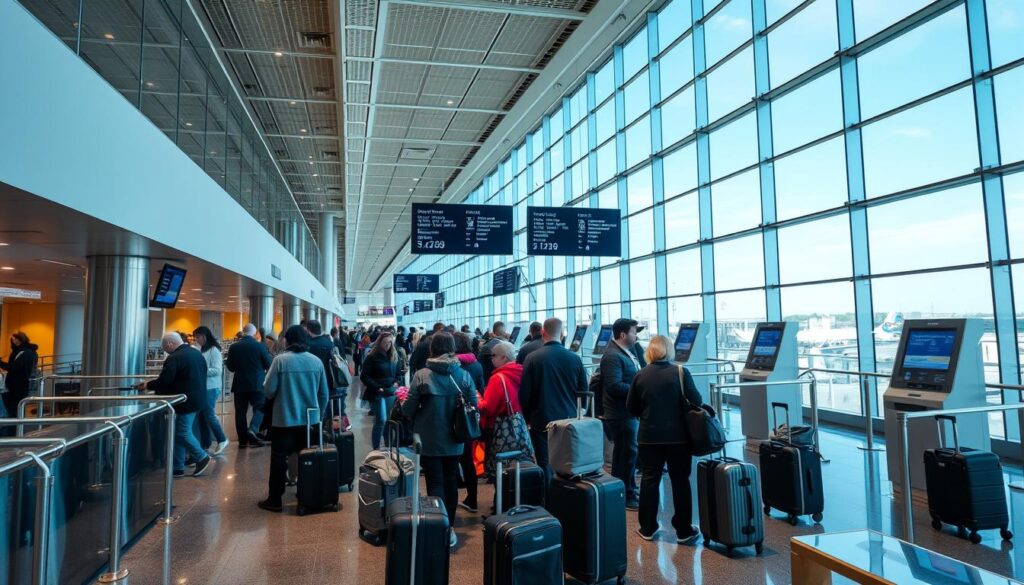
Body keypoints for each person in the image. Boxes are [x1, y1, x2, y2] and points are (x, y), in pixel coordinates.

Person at [401, 332, 477, 548]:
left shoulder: (422, 376)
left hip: (428, 438)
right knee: (451, 480)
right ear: (453, 348)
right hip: (456, 438)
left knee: (435, 482)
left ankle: (438, 525)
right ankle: (449, 527)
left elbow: (408, 408)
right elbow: (473, 404)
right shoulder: (463, 375)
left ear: (432, 349)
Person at [627, 335, 702, 543]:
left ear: (649, 352)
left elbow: (631, 407)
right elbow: (697, 400)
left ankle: (648, 527)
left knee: (650, 479)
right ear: (670, 351)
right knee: (680, 481)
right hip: (679, 438)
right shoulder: (680, 372)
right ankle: (684, 530)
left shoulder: (640, 375)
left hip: (649, 436)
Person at [257, 325, 329, 512]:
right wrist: (318, 417)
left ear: (287, 340)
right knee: (307, 458)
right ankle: (306, 495)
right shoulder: (316, 362)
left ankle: (275, 499)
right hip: (309, 421)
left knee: (279, 459)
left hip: (284, 419)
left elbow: (269, 390)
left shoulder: (280, 361)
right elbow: (324, 395)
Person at [519, 318, 587, 481]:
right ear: (563, 334)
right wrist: (579, 413)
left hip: (541, 420)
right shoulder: (574, 359)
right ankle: (565, 499)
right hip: (568, 420)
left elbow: (524, 393)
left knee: (545, 462)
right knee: (567, 462)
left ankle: (549, 501)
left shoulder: (532, 358)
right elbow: (583, 391)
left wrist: (527, 418)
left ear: (543, 332)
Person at [138, 333, 212, 477]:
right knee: (178, 432)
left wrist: (147, 385)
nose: (165, 350)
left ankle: (202, 457)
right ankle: (178, 467)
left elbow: (165, 380)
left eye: (165, 347)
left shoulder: (174, 358)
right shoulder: (196, 354)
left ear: (170, 344)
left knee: (181, 432)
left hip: (184, 401)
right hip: (198, 399)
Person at [600, 318, 645, 509]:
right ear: (623, 334)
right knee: (627, 453)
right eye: (634, 332)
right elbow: (613, 386)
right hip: (620, 414)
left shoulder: (627, 352)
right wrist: (640, 389)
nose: (637, 336)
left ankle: (627, 488)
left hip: (628, 412)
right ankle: (626, 494)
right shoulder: (612, 356)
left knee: (624, 454)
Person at [477, 340, 525, 476]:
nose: (491, 359)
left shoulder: (498, 378)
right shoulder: (521, 372)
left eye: (493, 356)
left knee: (499, 470)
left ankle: (500, 497)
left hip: (499, 427)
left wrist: (477, 399)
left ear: (503, 357)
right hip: (517, 424)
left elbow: (488, 407)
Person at [226, 323, 273, 448]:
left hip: (239, 383)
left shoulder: (234, 347)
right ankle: (253, 429)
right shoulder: (259, 346)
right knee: (260, 407)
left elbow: (230, 367)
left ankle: (242, 441)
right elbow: (269, 364)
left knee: (240, 412)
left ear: (243, 332)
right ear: (254, 333)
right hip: (257, 383)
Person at [453, 332, 484, 512]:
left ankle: (452, 499)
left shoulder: (454, 367)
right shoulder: (476, 364)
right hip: (470, 417)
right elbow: (480, 390)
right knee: (468, 461)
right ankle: (472, 498)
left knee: (451, 461)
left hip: (453, 418)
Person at [360, 332, 401, 449]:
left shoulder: (394, 356)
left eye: (390, 342)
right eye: (385, 342)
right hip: (377, 392)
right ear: (379, 342)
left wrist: (397, 382)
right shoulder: (372, 357)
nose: (387, 345)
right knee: (381, 419)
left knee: (388, 420)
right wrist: (377, 387)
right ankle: (376, 448)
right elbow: (364, 376)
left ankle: (388, 446)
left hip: (390, 391)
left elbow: (399, 373)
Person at [192, 326, 229, 455]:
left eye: (197, 337)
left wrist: (200, 371)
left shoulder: (214, 351)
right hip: (204, 387)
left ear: (204, 336)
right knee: (202, 416)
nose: (196, 340)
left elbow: (217, 370)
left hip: (212, 387)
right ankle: (205, 444)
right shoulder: (200, 350)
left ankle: (222, 439)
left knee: (209, 414)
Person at [0, 331, 38, 433]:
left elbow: (15, 368)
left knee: (13, 411)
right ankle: (14, 431)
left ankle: (12, 433)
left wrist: (1, 364)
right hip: (17, 386)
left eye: (15, 339)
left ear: (20, 339)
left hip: (18, 387)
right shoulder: (24, 352)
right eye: (12, 340)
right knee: (13, 410)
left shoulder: (24, 353)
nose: (13, 341)